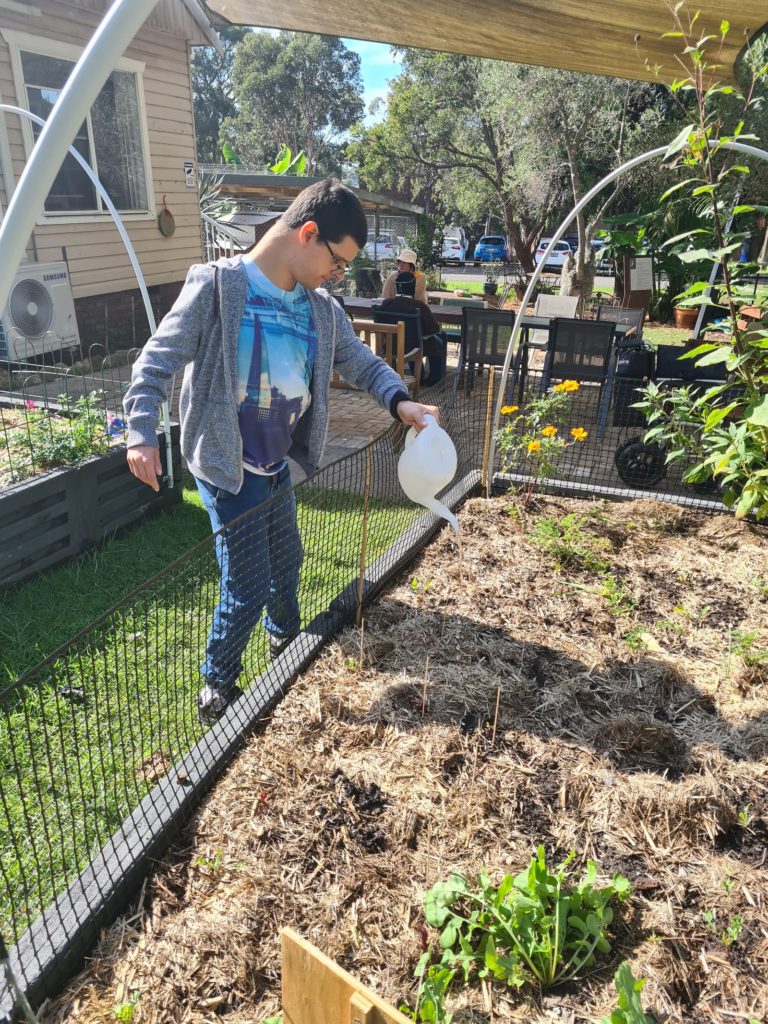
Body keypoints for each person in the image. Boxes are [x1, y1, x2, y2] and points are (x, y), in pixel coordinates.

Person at [123, 178, 439, 723]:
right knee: (244, 583)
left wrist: (399, 402)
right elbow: (155, 361)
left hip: (273, 462)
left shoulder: (319, 309)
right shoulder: (218, 287)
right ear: (308, 233)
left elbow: (359, 361)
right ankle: (216, 687)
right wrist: (140, 431)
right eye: (337, 262)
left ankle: (284, 640)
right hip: (227, 464)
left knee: (287, 559)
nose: (337, 276)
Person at [380, 271, 447, 386]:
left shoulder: (385, 304)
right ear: (412, 287)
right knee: (439, 339)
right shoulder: (419, 305)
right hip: (414, 346)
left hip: (390, 346)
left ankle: (418, 377)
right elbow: (434, 328)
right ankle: (434, 379)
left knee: (413, 338)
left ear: (396, 286)